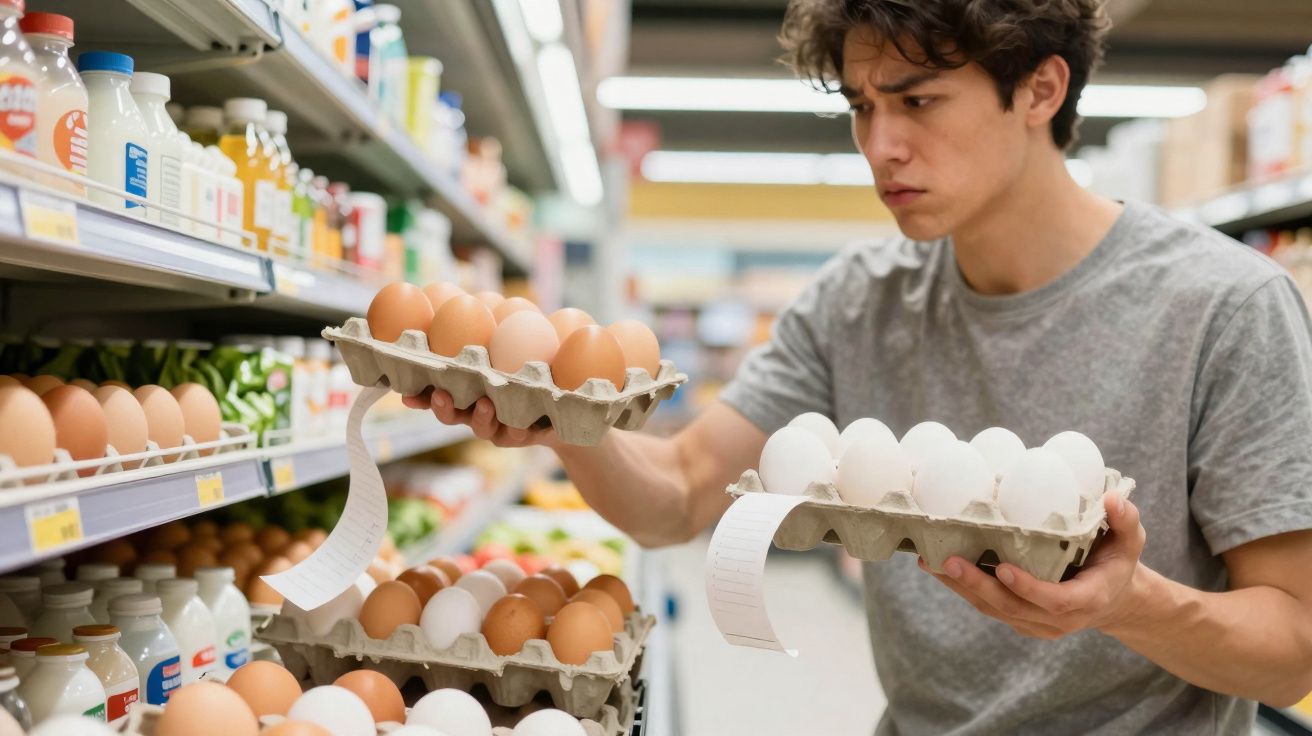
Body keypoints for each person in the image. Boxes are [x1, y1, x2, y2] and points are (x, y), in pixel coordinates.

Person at [405, 0, 1312, 733]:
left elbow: (1293, 642)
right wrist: (571, 419)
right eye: (860, 108)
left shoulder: (1225, 307)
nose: (880, 148)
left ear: (1040, 90)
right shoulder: (859, 300)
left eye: (917, 101)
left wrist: (1128, 603)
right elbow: (680, 493)